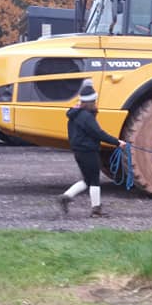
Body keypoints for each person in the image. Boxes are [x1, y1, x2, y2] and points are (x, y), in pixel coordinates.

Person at [59, 82, 127, 217]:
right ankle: (96, 211)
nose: (96, 103)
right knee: (94, 180)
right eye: (95, 101)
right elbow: (98, 133)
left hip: (78, 151)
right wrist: (117, 142)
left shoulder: (74, 115)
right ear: (91, 101)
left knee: (87, 180)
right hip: (88, 151)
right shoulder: (86, 117)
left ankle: (66, 197)